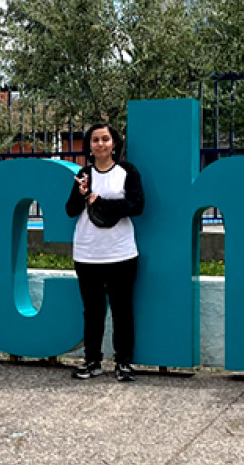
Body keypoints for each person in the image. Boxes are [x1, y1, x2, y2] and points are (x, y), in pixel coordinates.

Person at [65, 123, 144, 382]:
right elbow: (70, 210)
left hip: (121, 253)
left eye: (105, 139)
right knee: (93, 310)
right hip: (87, 254)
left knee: (122, 310)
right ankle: (92, 361)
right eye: (95, 140)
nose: (100, 144)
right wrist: (81, 194)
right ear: (89, 145)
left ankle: (123, 363)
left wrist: (101, 202)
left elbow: (136, 205)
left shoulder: (126, 171)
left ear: (114, 143)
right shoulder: (83, 173)